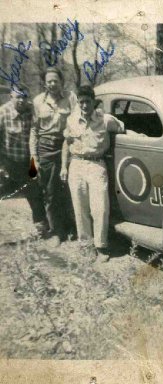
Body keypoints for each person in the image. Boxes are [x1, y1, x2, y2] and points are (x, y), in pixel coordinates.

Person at [60, 85, 125, 262]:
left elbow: (123, 129)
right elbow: (66, 143)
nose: (84, 106)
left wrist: (141, 135)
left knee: (100, 208)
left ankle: (101, 247)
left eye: (87, 102)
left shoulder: (105, 120)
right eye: (81, 102)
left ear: (93, 101)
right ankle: (86, 246)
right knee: (80, 208)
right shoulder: (72, 120)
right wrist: (64, 167)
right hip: (76, 165)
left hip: (97, 165)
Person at [30, 67, 77, 245]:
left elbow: (77, 120)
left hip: (66, 147)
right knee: (50, 192)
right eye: (49, 81)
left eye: (55, 80)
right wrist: (34, 157)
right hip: (46, 150)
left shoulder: (70, 98)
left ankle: (72, 228)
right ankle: (57, 232)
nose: (52, 84)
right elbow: (34, 130)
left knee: (68, 190)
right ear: (44, 83)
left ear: (61, 82)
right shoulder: (38, 102)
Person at [0, 86, 47, 236]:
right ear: (11, 97)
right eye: (17, 97)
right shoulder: (2, 112)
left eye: (24, 97)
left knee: (35, 192)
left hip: (29, 160)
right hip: (9, 161)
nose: (21, 100)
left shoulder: (31, 110)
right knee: (4, 190)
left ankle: (41, 227)